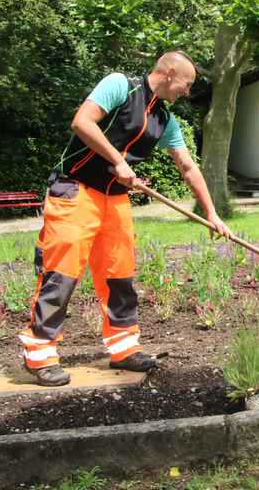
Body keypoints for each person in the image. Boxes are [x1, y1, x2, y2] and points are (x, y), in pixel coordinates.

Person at [19, 51, 235, 386]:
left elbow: (188, 166)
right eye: (187, 84)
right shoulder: (120, 85)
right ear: (170, 72)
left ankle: (122, 347)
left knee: (119, 275)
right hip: (75, 189)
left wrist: (211, 213)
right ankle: (39, 353)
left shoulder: (165, 119)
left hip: (115, 199)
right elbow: (82, 121)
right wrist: (118, 161)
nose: (187, 93)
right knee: (60, 273)